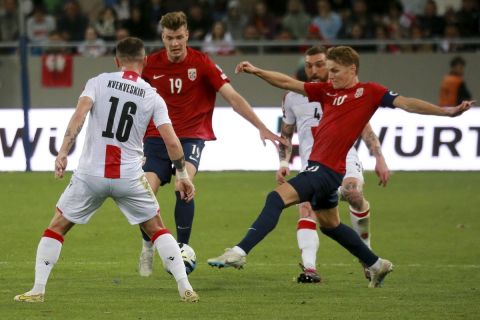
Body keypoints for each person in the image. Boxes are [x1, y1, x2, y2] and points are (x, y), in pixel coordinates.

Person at [207, 46, 472, 288]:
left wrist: (446, 112)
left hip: (326, 170)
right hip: (320, 168)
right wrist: (256, 71)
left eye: (335, 70)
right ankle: (377, 264)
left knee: (275, 199)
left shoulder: (370, 92)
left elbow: (408, 104)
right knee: (330, 225)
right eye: (328, 70)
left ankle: (239, 252)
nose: (329, 75)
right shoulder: (327, 92)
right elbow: (288, 82)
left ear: (352, 69)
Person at [14, 37, 199, 303]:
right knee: (157, 229)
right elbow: (171, 140)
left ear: (116, 61)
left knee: (57, 226)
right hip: (129, 177)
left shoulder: (98, 81)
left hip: (91, 175)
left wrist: (63, 152)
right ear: (145, 62)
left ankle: (37, 290)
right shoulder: (151, 94)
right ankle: (185, 287)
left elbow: (79, 115)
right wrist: (182, 175)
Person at [137, 11, 285, 277]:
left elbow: (233, 98)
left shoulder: (202, 63)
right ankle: (147, 244)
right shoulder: (149, 65)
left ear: (187, 35)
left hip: (191, 136)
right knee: (146, 192)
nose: (174, 43)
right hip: (157, 137)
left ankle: (181, 248)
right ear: (162, 37)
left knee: (185, 186)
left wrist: (261, 126)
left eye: (179, 37)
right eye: (169, 38)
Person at [277, 46, 389, 283]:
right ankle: (309, 269)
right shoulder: (293, 97)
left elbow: (365, 129)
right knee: (306, 209)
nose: (314, 70)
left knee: (353, 194)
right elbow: (286, 134)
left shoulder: (340, 92)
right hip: (312, 163)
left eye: (319, 64)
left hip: (344, 158)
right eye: (309, 65)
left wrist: (379, 157)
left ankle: (366, 255)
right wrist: (284, 161)